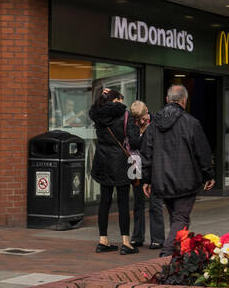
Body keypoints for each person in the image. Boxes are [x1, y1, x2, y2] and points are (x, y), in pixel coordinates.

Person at [141, 84, 215, 257]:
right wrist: (208, 174)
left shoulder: (153, 126)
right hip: (186, 179)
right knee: (180, 218)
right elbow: (202, 152)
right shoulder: (191, 123)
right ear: (184, 100)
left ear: (167, 100)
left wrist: (146, 179)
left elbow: (146, 153)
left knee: (177, 217)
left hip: (162, 180)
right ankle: (168, 252)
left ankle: (178, 252)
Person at [88, 87, 134, 254]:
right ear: (116, 100)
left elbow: (95, 108)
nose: (122, 101)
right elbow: (134, 140)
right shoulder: (124, 114)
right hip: (120, 162)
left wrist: (101, 96)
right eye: (120, 98)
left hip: (102, 161)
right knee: (123, 202)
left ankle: (103, 240)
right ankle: (126, 242)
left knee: (104, 202)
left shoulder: (98, 115)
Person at [127, 101, 165, 250]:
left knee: (155, 203)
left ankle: (157, 238)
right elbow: (134, 143)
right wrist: (142, 135)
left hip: (153, 166)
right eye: (138, 120)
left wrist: (143, 135)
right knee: (138, 203)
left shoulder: (156, 123)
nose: (142, 122)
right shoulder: (132, 124)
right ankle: (137, 237)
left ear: (147, 111)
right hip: (135, 166)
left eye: (143, 118)